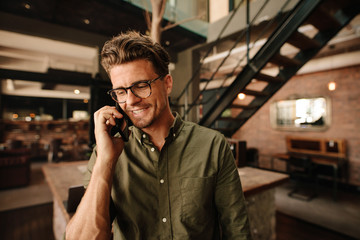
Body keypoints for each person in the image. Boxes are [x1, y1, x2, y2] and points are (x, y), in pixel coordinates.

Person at [66, 31, 251, 240]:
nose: (131, 100)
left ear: (168, 84)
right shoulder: (106, 151)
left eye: (141, 86)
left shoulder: (212, 145)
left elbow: (237, 232)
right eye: (120, 91)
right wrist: (105, 163)